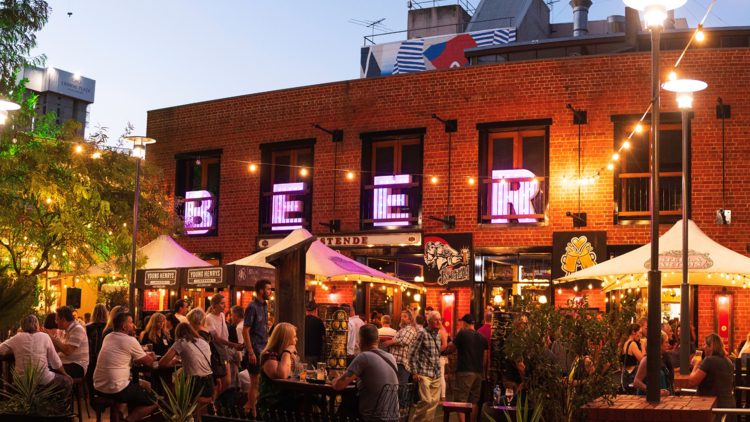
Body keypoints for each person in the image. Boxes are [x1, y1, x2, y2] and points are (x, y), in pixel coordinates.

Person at [93, 312, 158, 422]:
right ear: (124, 326)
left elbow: (118, 356)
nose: (133, 325)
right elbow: (147, 362)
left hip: (99, 386)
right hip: (116, 388)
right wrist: (152, 356)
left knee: (145, 384)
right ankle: (128, 420)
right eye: (131, 322)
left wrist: (135, 359)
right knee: (154, 401)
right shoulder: (130, 340)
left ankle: (118, 417)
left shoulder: (108, 337)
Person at [331, 324, 399, 421]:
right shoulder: (391, 357)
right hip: (394, 416)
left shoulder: (364, 357)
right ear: (378, 340)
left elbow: (339, 386)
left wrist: (333, 377)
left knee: (344, 409)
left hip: (373, 417)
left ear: (361, 342)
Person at [0, 315, 72, 399]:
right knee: (67, 382)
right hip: (43, 379)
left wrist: (14, 348)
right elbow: (55, 361)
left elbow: (1, 349)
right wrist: (65, 374)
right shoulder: (45, 337)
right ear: (36, 325)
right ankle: (58, 407)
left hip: (21, 381)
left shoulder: (17, 338)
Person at [159, 323, 214, 421]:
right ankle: (188, 417)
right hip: (209, 383)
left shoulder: (181, 341)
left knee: (168, 391)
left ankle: (180, 418)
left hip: (195, 384)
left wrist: (173, 362)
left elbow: (162, 363)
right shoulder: (203, 342)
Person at [442, 314, 488, 422]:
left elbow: (451, 348)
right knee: (474, 401)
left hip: (464, 371)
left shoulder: (462, 334)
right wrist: (484, 374)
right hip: (478, 372)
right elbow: (486, 358)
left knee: (460, 401)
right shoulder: (482, 337)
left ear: (465, 323)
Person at [255, 322, 303, 417]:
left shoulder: (292, 355)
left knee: (314, 400)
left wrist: (316, 373)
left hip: (291, 398)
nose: (296, 340)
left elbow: (299, 372)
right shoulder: (269, 354)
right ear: (285, 338)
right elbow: (281, 375)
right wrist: (287, 352)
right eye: (294, 337)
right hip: (273, 402)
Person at [689, 333, 736, 421]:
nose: (703, 347)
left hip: (715, 407)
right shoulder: (728, 361)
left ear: (710, 346)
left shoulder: (709, 360)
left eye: (704, 344)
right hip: (729, 405)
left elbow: (692, 382)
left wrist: (696, 365)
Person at [243, 279, 272, 417]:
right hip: (254, 349)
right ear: (261, 290)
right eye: (268, 289)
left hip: (263, 349)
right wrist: (250, 352)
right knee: (254, 382)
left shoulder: (265, 306)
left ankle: (251, 408)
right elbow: (245, 330)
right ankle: (253, 414)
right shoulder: (252, 307)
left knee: (260, 381)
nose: (270, 291)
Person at [188, 308, 231, 399]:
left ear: (193, 320)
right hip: (215, 370)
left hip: (204, 373)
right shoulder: (209, 334)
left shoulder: (197, 337)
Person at [409, 311, 443, 422]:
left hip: (436, 374)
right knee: (426, 400)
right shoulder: (422, 333)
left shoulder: (438, 334)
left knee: (433, 403)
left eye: (440, 319)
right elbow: (412, 353)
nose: (439, 322)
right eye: (436, 320)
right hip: (424, 373)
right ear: (429, 322)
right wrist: (414, 372)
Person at [44, 306, 89, 380]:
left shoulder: (77, 329)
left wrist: (50, 336)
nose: (56, 322)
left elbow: (68, 351)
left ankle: (62, 391)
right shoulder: (64, 330)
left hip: (77, 366)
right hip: (65, 363)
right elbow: (58, 349)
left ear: (63, 320)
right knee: (43, 367)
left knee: (47, 371)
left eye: (57, 319)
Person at [633, 330, 673, 397]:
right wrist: (654, 391)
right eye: (666, 342)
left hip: (662, 400)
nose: (668, 345)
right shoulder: (647, 359)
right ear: (658, 344)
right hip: (648, 400)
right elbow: (636, 382)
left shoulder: (660, 358)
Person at [384, 309, 418, 384]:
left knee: (402, 384)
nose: (402, 318)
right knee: (397, 384)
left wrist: (391, 343)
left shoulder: (410, 329)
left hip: (403, 362)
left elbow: (404, 341)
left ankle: (403, 396)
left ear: (410, 320)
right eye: (401, 316)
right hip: (397, 361)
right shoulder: (403, 329)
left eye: (405, 316)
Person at [86, 303, 109, 402]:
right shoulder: (109, 328)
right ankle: (105, 401)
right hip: (105, 360)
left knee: (92, 380)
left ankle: (93, 400)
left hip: (91, 360)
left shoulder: (88, 328)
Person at [304, 302, 326, 366]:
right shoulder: (318, 321)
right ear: (316, 310)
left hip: (303, 352)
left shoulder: (301, 320)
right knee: (315, 373)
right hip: (315, 353)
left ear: (305, 310)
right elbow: (323, 338)